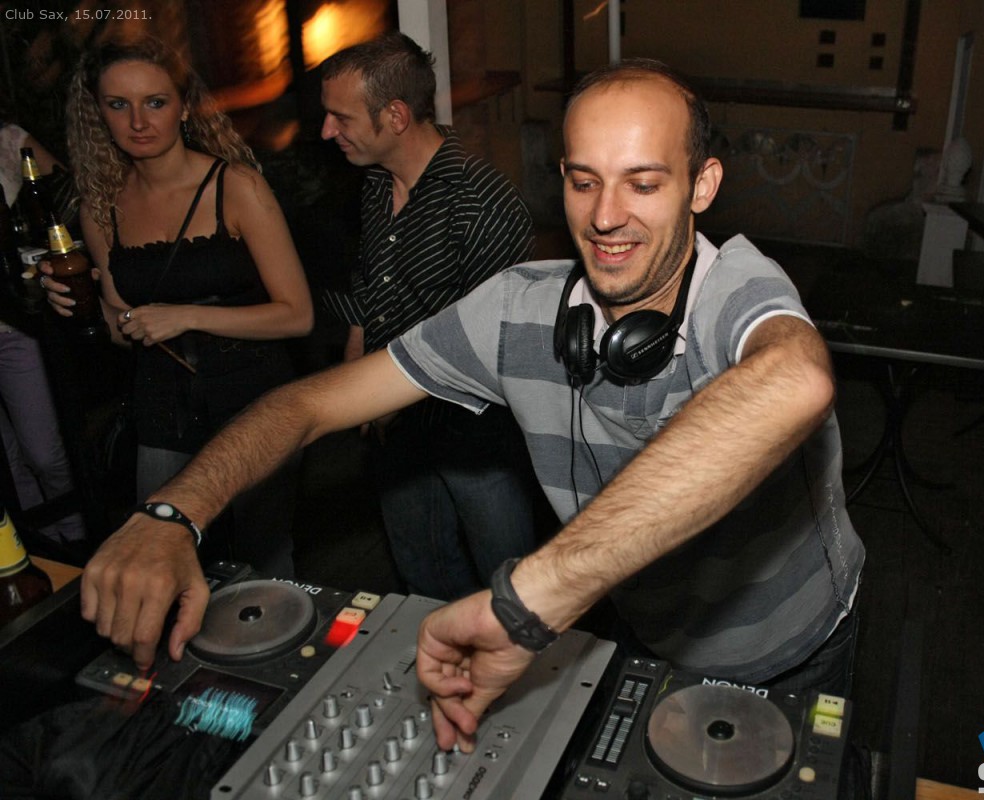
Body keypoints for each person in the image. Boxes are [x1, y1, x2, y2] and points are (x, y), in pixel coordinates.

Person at [75, 60, 865, 755]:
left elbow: (793, 381)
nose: (605, 216)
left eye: (644, 183)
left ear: (703, 185)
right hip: (643, 633)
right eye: (583, 180)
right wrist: (174, 511)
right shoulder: (516, 310)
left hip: (790, 649)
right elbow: (307, 406)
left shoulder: (736, 289)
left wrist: (530, 603)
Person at [42, 37, 313, 576]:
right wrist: (81, 307)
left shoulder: (236, 186)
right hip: (163, 405)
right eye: (118, 104)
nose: (138, 121)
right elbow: (123, 327)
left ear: (184, 106)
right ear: (98, 114)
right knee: (162, 554)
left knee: (264, 559)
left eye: (155, 102)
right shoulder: (101, 208)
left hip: (253, 398)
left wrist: (186, 315)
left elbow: (297, 315)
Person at [318, 32, 542, 600]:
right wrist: (357, 367)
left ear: (395, 116)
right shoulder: (375, 183)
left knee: (511, 591)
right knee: (422, 577)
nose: (326, 131)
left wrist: (388, 394)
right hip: (394, 428)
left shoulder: (483, 202)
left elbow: (491, 342)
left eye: (341, 117)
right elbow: (370, 283)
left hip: (474, 439)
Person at [0, 117, 87, 546]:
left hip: (15, 325)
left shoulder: (7, 140)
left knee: (45, 453)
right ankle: (40, 548)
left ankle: (76, 541)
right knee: (6, 464)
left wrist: (38, 242)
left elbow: (70, 195)